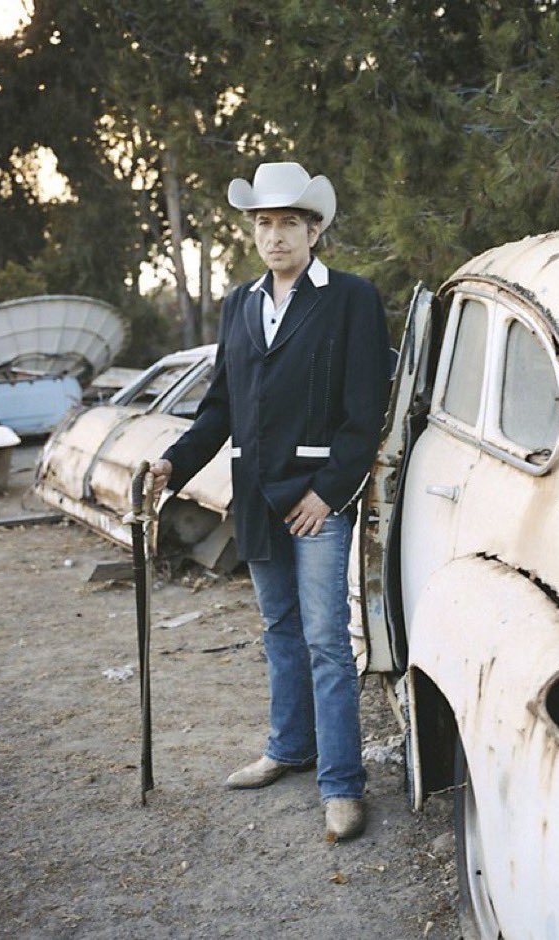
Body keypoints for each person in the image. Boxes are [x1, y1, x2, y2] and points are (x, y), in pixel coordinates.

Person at [147, 162, 390, 842]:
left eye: (288, 222)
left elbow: (363, 411)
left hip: (315, 501)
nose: (275, 235)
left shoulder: (351, 299)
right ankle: (289, 748)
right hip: (254, 499)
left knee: (326, 642)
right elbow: (221, 404)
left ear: (315, 229)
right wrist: (175, 461)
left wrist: (328, 494)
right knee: (279, 631)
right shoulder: (239, 303)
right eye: (263, 223)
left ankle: (341, 784)